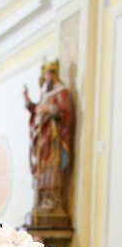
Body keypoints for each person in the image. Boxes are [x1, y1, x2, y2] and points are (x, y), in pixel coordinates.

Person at [23, 59, 73, 219]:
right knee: (42, 167)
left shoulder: (61, 91)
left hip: (53, 138)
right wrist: (29, 102)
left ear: (52, 74)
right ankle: (43, 200)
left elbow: (64, 111)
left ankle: (52, 201)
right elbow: (36, 110)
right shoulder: (46, 94)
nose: (45, 79)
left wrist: (49, 109)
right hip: (43, 136)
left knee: (51, 167)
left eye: (46, 76)